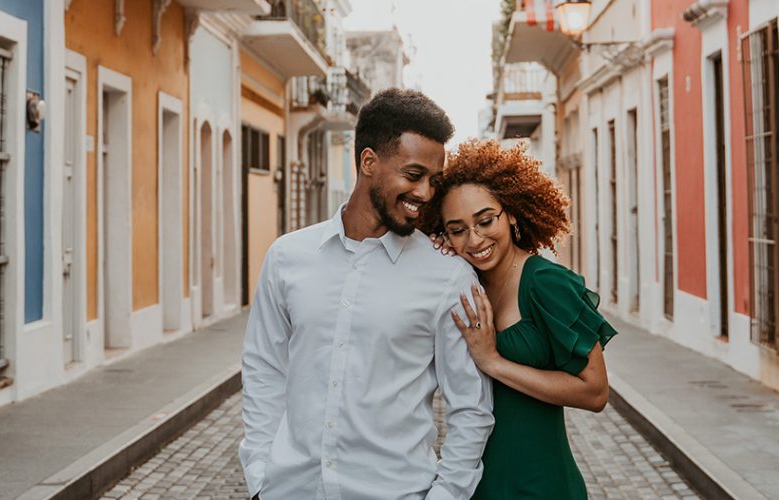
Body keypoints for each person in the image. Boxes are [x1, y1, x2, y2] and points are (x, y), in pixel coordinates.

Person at [239, 88, 494, 500]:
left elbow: (472, 408)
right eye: (413, 175)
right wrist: (260, 473)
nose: (426, 193)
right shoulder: (288, 257)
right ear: (368, 161)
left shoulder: (448, 276)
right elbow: (264, 370)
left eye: (434, 180)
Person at [418, 139, 618, 500]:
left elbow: (595, 391)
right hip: (477, 485)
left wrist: (493, 361)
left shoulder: (546, 283)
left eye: (485, 220)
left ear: (510, 213)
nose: (475, 239)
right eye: (457, 229)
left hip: (542, 484)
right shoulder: (463, 281)